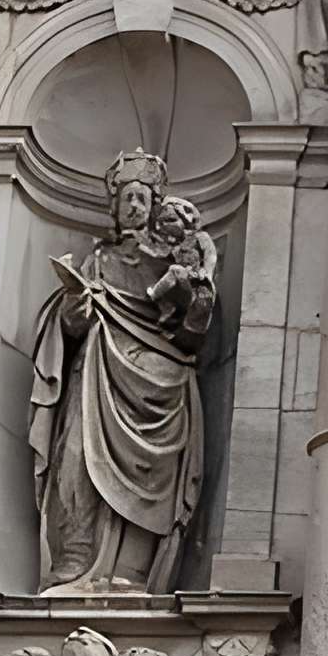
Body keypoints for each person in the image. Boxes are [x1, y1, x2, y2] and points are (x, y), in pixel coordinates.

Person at [28, 149, 215, 594]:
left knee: (150, 472)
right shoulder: (98, 260)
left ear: (155, 209)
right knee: (75, 457)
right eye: (128, 197)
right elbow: (73, 325)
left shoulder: (175, 263)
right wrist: (75, 305)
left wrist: (199, 296)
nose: (134, 206)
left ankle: (130, 575)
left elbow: (194, 332)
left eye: (143, 199)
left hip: (160, 378)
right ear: (114, 206)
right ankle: (75, 562)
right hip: (97, 369)